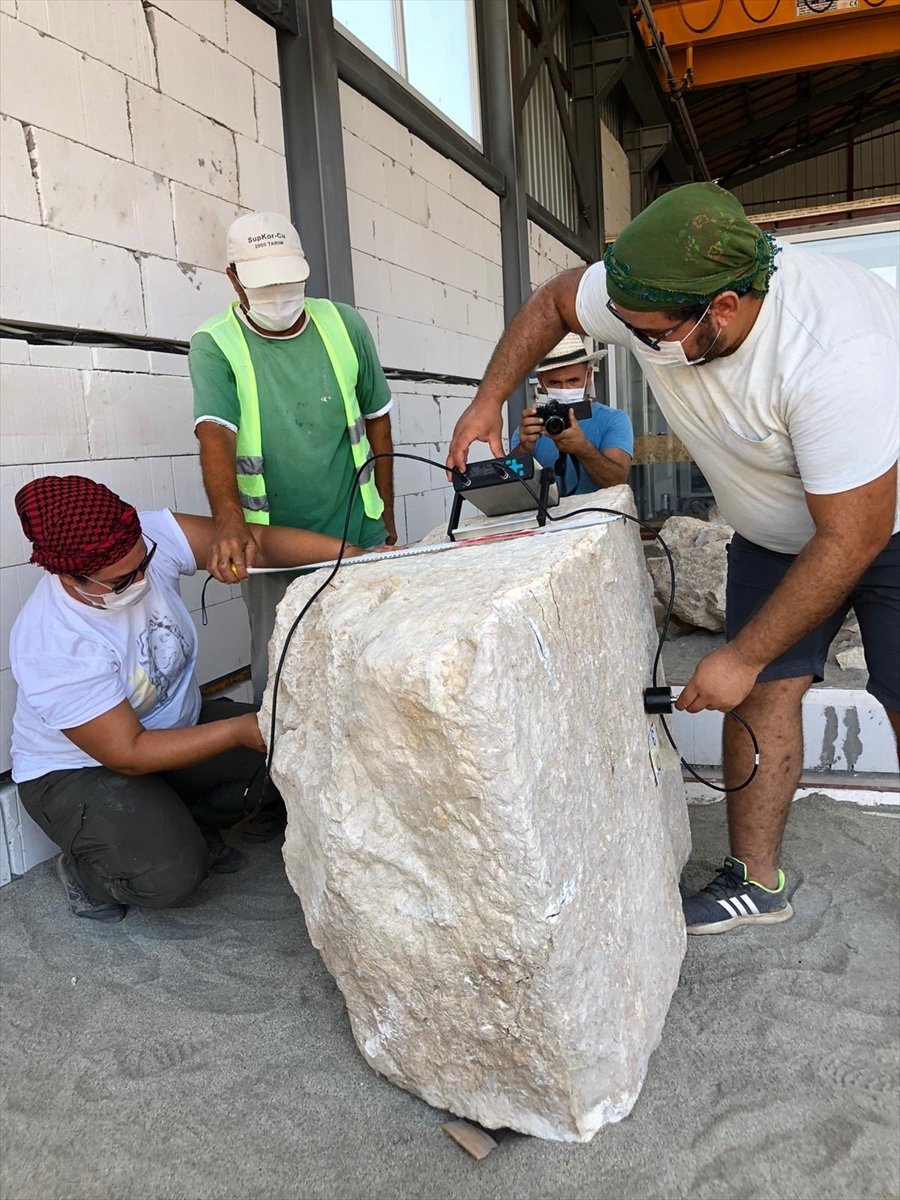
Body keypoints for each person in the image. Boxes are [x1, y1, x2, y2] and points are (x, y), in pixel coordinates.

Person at [448, 182, 899, 935]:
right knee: (761, 698)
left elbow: (851, 538)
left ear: (721, 308)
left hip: (883, 524)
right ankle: (757, 882)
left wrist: (744, 654)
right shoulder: (647, 290)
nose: (641, 344)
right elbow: (559, 300)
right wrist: (488, 398)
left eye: (652, 334)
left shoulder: (834, 354)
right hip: (774, 530)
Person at [9, 474, 374, 924]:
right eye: (122, 580)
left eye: (145, 562)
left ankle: (176, 824)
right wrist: (240, 730)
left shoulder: (148, 535)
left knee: (301, 748)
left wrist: (356, 558)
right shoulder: (53, 639)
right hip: (80, 769)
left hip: (169, 731)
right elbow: (128, 753)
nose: (142, 579)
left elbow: (253, 540)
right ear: (68, 574)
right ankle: (91, 874)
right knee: (169, 876)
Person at [190, 211, 397, 703]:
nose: (279, 295)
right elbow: (214, 433)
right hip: (271, 547)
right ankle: (280, 777)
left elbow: (379, 421)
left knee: (372, 662)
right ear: (234, 280)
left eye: (288, 280)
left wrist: (386, 513)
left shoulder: (343, 325)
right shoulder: (215, 344)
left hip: (356, 527)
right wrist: (228, 523)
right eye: (264, 284)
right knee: (284, 674)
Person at [512, 332, 632, 495]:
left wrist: (582, 448)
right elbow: (509, 486)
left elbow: (616, 482)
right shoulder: (532, 426)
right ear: (542, 382)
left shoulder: (613, 420)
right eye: (554, 382)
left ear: (588, 376)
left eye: (573, 380)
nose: (564, 389)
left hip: (597, 518)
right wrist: (524, 449)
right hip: (546, 519)